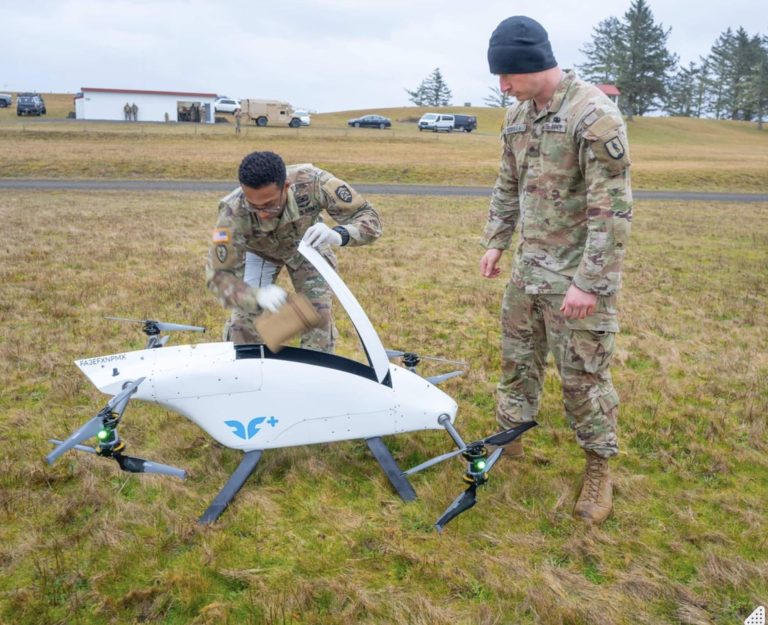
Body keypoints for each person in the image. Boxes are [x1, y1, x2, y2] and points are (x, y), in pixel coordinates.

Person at [479, 16, 632, 524]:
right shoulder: (518, 117)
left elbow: (612, 210)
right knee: (517, 363)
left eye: (507, 76)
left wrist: (589, 282)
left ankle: (598, 469)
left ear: (532, 65)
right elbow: (507, 184)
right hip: (529, 272)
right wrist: (497, 243)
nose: (502, 87)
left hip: (578, 279)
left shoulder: (593, 116)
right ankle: (510, 441)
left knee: (582, 379)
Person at [206, 151, 382, 352]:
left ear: (286, 187)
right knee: (242, 325)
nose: (262, 214)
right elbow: (218, 276)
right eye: (254, 206)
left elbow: (369, 217)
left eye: (269, 205)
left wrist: (339, 234)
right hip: (258, 252)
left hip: (306, 246)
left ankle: (315, 372)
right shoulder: (232, 210)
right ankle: (250, 373)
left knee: (318, 314)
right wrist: (255, 296)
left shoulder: (313, 182)